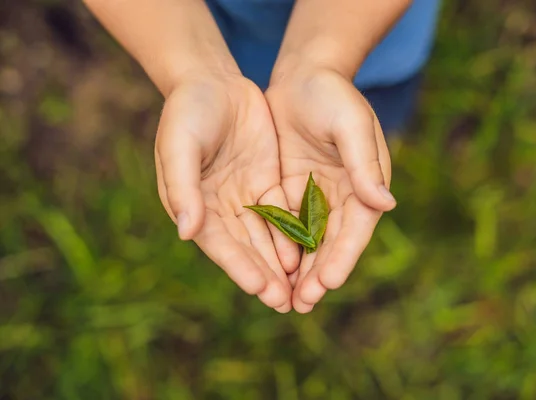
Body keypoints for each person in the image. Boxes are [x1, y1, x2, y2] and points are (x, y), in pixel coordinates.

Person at [83, 0, 441, 314]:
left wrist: (323, 62)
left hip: (366, 34)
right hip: (203, 30)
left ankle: (367, 138)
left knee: (364, 122)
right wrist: (194, 71)